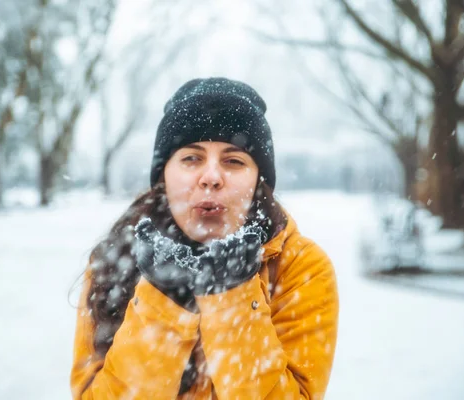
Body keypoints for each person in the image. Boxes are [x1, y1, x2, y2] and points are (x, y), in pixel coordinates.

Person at [70, 77, 339, 399]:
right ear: (164, 176)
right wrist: (163, 300)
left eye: (233, 161)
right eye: (191, 158)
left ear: (258, 182)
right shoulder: (115, 261)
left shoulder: (301, 267)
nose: (211, 177)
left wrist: (232, 296)